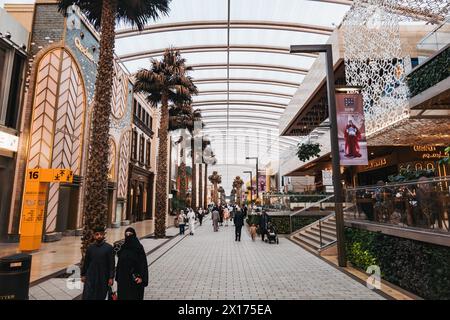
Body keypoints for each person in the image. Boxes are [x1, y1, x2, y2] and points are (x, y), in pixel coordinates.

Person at [81, 226, 115, 300]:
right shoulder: (90, 248)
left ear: (103, 235)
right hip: (91, 276)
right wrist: (83, 274)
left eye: (101, 234)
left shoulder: (109, 248)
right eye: (97, 234)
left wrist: (111, 277)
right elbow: (86, 262)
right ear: (94, 235)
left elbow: (111, 264)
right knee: (88, 295)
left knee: (100, 295)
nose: (99, 236)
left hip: (103, 277)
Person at [115, 227, 148, 300]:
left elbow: (143, 264)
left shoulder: (138, 247)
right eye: (126, 234)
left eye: (130, 234)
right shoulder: (123, 247)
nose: (128, 236)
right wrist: (117, 277)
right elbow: (120, 263)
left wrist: (142, 277)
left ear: (134, 235)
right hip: (123, 280)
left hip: (134, 279)